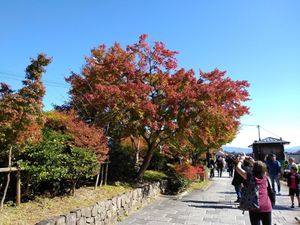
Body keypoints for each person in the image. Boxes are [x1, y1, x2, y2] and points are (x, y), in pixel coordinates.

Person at [236, 156, 272, 225]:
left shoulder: (249, 177)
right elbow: (261, 167)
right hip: (266, 206)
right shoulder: (265, 177)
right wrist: (252, 160)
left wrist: (241, 160)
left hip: (254, 206)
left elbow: (238, 168)